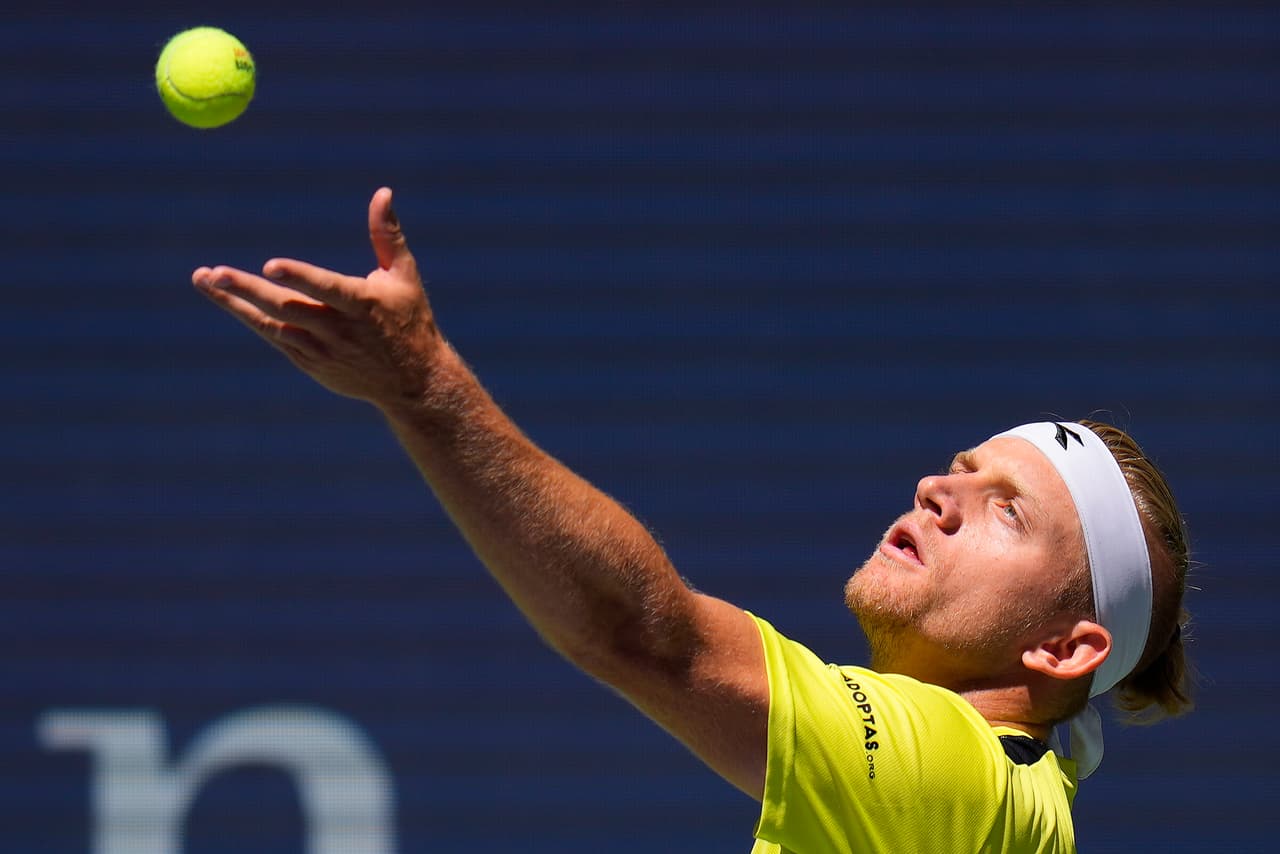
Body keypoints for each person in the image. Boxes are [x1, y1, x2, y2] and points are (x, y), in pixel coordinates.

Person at [193, 188, 1193, 853]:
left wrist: (422, 387)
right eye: (961, 469)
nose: (937, 489)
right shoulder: (1010, 805)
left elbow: (643, 634)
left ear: (1065, 648)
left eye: (1002, 510)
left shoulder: (952, 773)